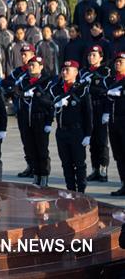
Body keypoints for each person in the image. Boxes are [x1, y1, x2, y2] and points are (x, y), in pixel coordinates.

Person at [49, 60, 92, 193]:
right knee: (66, 164)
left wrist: (88, 134)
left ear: (76, 73)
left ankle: (81, 192)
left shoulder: (82, 90)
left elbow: (88, 113)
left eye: (68, 70)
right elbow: (46, 102)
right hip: (62, 132)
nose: (64, 72)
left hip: (76, 131)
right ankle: (70, 190)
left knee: (79, 164)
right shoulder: (56, 89)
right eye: (63, 70)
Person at [12, 56, 54, 187]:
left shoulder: (46, 82)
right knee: (31, 149)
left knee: (42, 150)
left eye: (34, 65)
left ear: (41, 67)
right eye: (30, 65)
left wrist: (48, 122)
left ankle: (44, 176)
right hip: (26, 119)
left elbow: (50, 103)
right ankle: (36, 175)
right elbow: (15, 93)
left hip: (40, 119)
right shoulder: (23, 81)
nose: (31, 67)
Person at [3, 44, 36, 178]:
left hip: (34, 111)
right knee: (26, 139)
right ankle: (30, 165)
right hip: (21, 109)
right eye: (22, 54)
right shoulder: (18, 71)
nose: (23, 57)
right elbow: (6, 83)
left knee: (36, 140)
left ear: (33, 55)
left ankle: (38, 167)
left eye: (26, 54)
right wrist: (12, 89)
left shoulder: (35, 70)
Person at [83, 45, 112, 183]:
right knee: (92, 141)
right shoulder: (84, 72)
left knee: (101, 141)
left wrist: (89, 87)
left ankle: (103, 169)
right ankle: (94, 169)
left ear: (101, 57)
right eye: (89, 55)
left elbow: (105, 91)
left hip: (100, 108)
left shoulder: (105, 71)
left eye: (94, 55)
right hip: (88, 110)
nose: (91, 57)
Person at [105, 52, 125, 196]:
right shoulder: (111, 80)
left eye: (121, 62)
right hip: (113, 121)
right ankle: (123, 184)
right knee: (118, 155)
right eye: (116, 61)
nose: (118, 64)